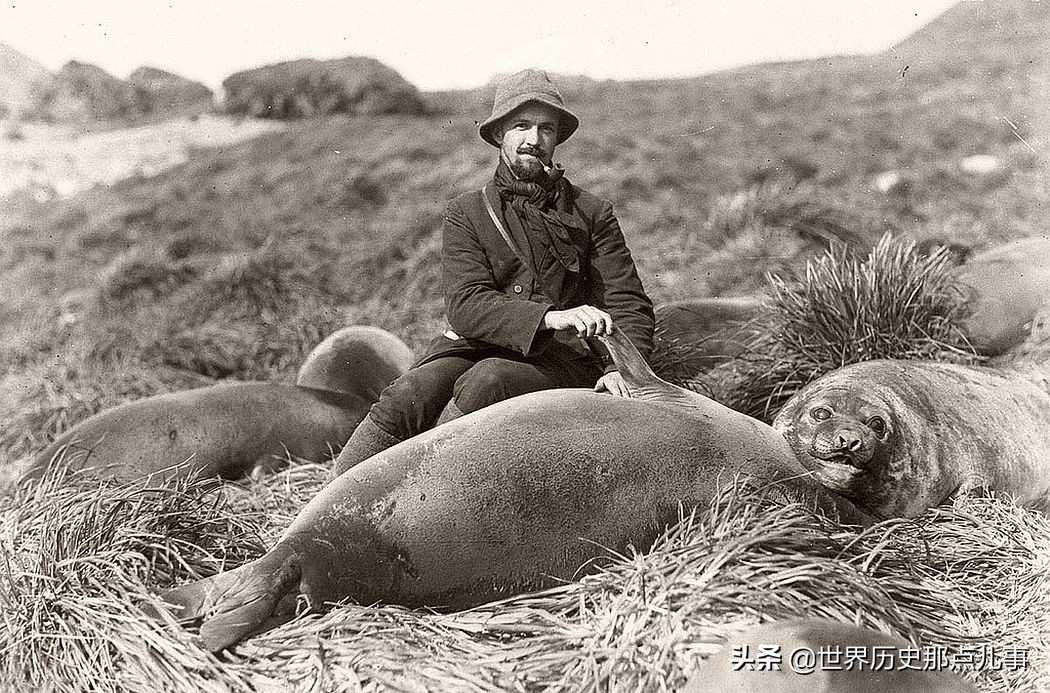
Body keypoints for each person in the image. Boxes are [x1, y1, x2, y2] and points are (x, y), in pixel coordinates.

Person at [332, 68, 654, 476]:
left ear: (557, 138)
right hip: (477, 344)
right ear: (500, 133)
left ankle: (419, 490)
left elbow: (628, 302)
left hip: (562, 361)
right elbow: (466, 306)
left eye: (546, 129)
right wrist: (550, 316)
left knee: (489, 382)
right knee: (408, 393)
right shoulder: (466, 213)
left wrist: (621, 370)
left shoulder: (592, 213)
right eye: (521, 126)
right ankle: (323, 505)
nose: (533, 140)